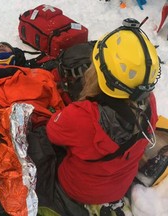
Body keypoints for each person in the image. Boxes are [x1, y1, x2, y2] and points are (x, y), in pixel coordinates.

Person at [46, 18, 161, 215]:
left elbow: (52, 132)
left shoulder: (82, 116)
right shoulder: (149, 102)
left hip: (78, 189)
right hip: (120, 184)